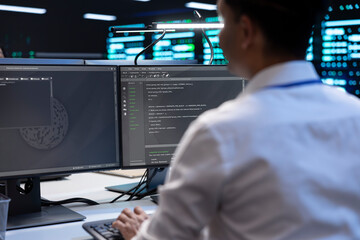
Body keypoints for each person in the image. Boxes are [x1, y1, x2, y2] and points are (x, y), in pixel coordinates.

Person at [113, 0, 360, 239]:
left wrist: (139, 234)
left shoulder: (220, 131)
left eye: (223, 22)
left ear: (246, 31)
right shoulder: (354, 114)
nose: (219, 37)